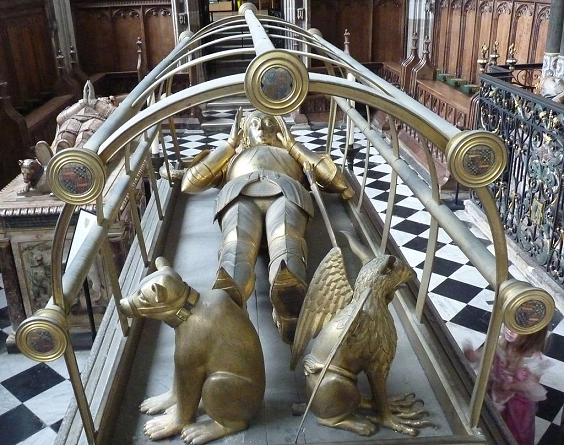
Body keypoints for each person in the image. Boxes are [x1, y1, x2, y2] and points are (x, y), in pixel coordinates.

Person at [180, 109, 353, 343]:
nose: (262, 128)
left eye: (270, 124)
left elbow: (337, 182)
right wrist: (230, 145)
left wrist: (293, 146)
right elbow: (190, 182)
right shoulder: (232, 157)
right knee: (236, 245)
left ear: (280, 130)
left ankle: (289, 303)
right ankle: (231, 301)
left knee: (287, 241)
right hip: (239, 193)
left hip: (286, 192)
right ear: (245, 132)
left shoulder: (291, 154)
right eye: (255, 124)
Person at [464, 325, 553, 445]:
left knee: (512, 432)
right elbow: (484, 355)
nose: (510, 331)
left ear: (533, 334)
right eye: (509, 326)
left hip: (516, 405)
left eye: (518, 329)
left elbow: (531, 385)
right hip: (493, 392)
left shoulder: (533, 359)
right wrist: (473, 356)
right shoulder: (501, 343)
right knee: (486, 424)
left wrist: (512, 386)